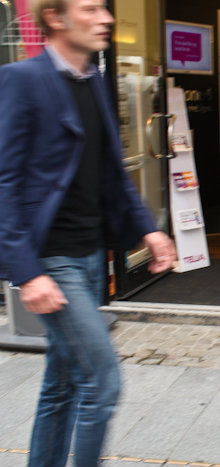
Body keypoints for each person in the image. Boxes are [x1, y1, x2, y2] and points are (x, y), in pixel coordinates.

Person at [0, 1, 177, 466]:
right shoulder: (23, 79)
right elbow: (5, 183)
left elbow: (113, 175)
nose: (106, 18)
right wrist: (26, 272)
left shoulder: (95, 79)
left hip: (91, 257)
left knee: (61, 385)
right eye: (91, 8)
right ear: (56, 18)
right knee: (102, 382)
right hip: (53, 263)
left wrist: (150, 231)